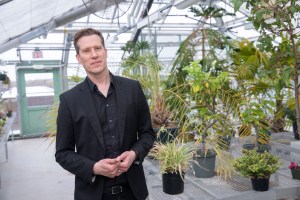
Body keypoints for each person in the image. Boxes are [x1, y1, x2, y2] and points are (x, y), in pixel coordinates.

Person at [55, 28, 155, 200]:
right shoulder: (69, 101)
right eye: (86, 50)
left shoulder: (132, 89)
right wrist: (93, 167)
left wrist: (134, 154)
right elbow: (63, 153)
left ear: (105, 51)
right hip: (93, 194)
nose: (94, 55)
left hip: (133, 192)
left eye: (98, 48)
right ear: (79, 58)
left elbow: (147, 134)